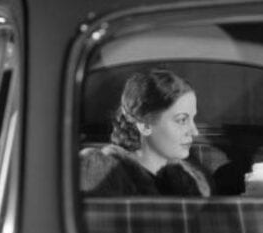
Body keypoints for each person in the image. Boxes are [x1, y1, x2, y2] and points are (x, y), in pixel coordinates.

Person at [80, 69, 210, 196]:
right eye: (182, 120)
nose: (195, 131)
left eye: (193, 118)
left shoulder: (187, 181)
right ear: (145, 125)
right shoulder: (103, 173)